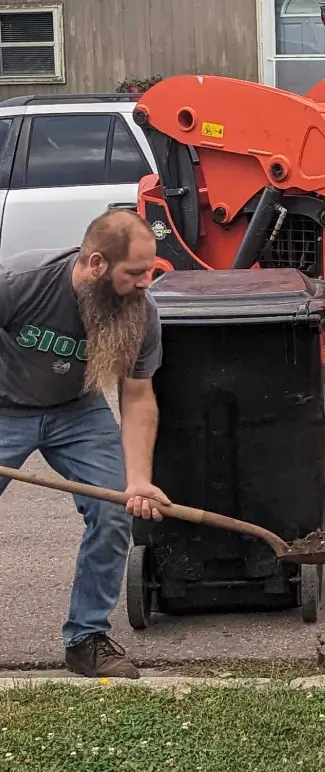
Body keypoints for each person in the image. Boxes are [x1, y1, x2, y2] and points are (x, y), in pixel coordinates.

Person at [0, 209, 171, 679]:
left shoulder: (140, 312)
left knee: (116, 509)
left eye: (149, 272)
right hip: (4, 407)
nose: (145, 283)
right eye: (135, 273)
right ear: (96, 264)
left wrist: (137, 482)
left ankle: (86, 639)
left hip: (77, 411)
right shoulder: (20, 282)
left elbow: (137, 397)